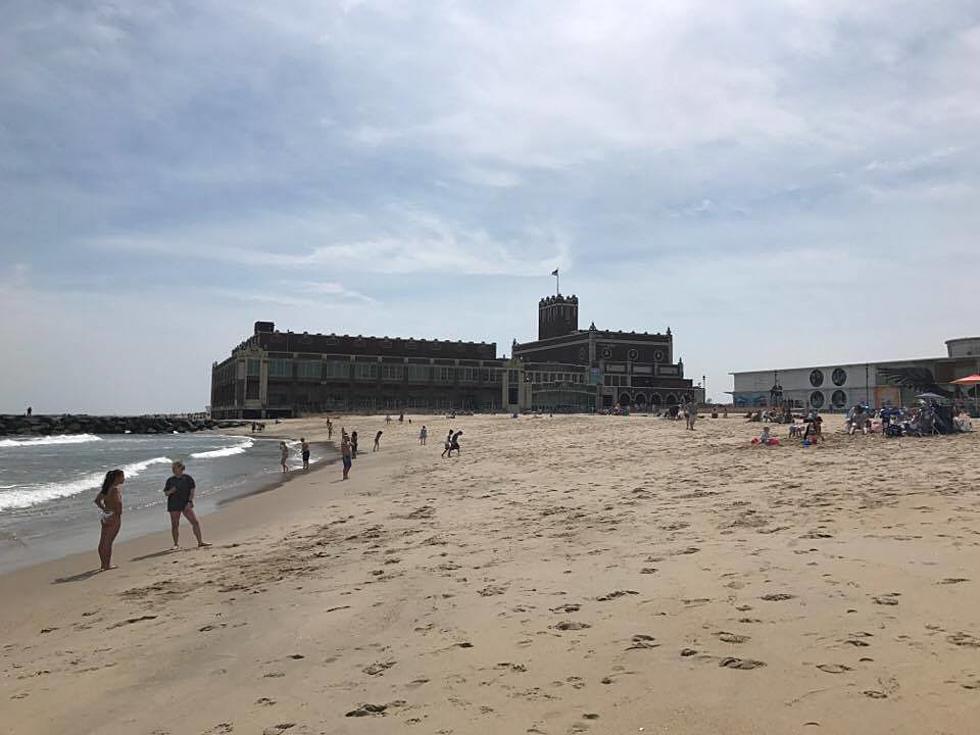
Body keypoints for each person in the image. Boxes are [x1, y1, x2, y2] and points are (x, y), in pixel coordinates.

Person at [163, 461, 209, 550]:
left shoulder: (187, 478)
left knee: (195, 522)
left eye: (175, 468)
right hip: (174, 504)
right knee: (175, 524)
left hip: (185, 503)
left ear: (181, 468)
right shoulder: (170, 480)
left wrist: (190, 501)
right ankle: (176, 544)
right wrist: (170, 491)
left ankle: (200, 542)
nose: (173, 470)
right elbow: (166, 493)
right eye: (172, 468)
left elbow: (192, 491)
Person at [94, 469, 124, 570]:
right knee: (108, 542)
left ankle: (103, 564)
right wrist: (119, 513)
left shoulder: (106, 488)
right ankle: (107, 565)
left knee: (103, 541)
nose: (124, 478)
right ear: (117, 478)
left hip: (106, 515)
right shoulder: (115, 489)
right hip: (113, 516)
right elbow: (118, 503)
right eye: (122, 476)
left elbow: (97, 500)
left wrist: (104, 508)